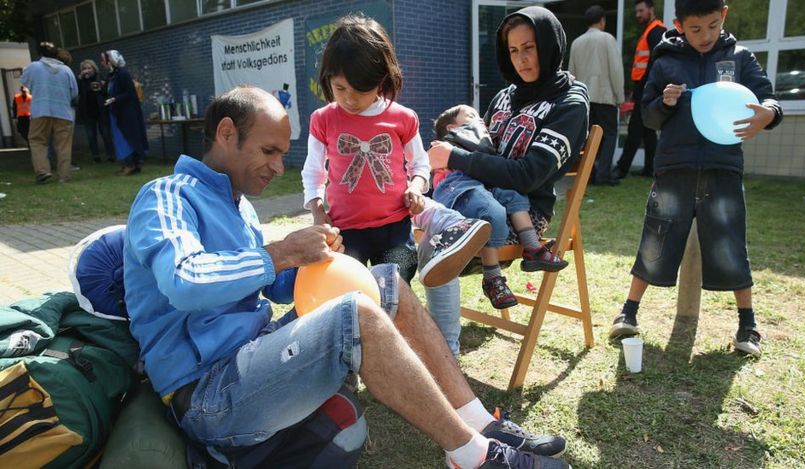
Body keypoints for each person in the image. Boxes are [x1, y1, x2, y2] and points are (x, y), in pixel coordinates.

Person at [123, 85, 569, 468]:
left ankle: (481, 423)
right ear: (226, 133)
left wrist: (314, 260)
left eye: (282, 153)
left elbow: (268, 285)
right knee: (356, 314)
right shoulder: (166, 196)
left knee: (387, 281)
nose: (279, 167)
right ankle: (473, 457)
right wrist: (279, 253)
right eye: (269, 151)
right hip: (209, 395)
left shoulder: (239, 208)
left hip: (249, 361)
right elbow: (183, 279)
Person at [607, 0, 783, 359]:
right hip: (675, 167)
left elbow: (768, 98)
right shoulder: (666, 59)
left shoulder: (740, 58)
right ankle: (629, 310)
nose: (705, 36)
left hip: (723, 168)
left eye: (713, 26)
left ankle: (747, 323)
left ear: (725, 16)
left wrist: (771, 114)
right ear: (679, 25)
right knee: (656, 237)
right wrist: (664, 103)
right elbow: (649, 116)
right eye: (695, 29)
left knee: (730, 241)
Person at [428, 6, 589, 359]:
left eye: (529, 47)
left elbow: (529, 174)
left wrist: (453, 158)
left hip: (524, 214)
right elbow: (482, 149)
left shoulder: (570, 103)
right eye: (513, 50)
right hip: (481, 196)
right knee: (404, 226)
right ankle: (428, 340)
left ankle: (443, 351)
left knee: (438, 237)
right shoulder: (504, 96)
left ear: (549, 45)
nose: (522, 59)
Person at [302, 15, 491, 288]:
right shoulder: (323, 119)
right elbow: (313, 172)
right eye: (340, 88)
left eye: (360, 91)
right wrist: (318, 211)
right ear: (327, 78)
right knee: (352, 292)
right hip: (344, 231)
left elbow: (420, 165)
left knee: (395, 286)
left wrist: (416, 186)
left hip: (394, 227)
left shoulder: (403, 118)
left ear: (382, 81)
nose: (349, 99)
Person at [432, 104, 569, 309]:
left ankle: (532, 248)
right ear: (452, 128)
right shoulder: (445, 144)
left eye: (479, 117)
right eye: (470, 116)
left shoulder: (480, 142)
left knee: (512, 194)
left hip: (481, 181)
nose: (479, 120)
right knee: (489, 212)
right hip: (457, 187)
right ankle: (492, 278)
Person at [569, 5, 625, 186]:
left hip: (584, 97)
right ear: (602, 21)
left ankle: (588, 174)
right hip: (604, 95)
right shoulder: (607, 39)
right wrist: (620, 96)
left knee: (588, 137)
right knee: (609, 134)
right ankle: (603, 174)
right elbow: (616, 70)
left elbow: (571, 72)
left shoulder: (577, 42)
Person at [613, 0, 667, 179]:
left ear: (651, 9)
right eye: (636, 12)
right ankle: (650, 168)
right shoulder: (650, 31)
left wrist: (645, 87)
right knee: (647, 131)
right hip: (644, 87)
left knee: (635, 130)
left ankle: (622, 168)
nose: (638, 15)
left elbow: (655, 63)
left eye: (641, 11)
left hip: (646, 88)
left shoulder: (656, 31)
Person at [20, 41, 77, 184]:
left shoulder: (34, 67)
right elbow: (74, 92)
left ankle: (43, 171)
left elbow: (25, 82)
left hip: (41, 110)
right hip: (63, 112)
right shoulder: (66, 70)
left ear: (40, 54)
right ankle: (64, 176)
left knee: (38, 141)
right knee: (63, 144)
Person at [102, 50, 148, 176]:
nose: (102, 63)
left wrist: (115, 99)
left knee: (126, 138)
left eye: (104, 60)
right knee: (124, 137)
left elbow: (130, 93)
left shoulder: (123, 74)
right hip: (118, 111)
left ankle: (131, 164)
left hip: (126, 112)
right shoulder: (112, 75)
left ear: (110, 61)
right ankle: (134, 163)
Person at [77, 59, 114, 163]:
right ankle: (96, 156)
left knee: (106, 133)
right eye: (84, 68)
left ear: (94, 68)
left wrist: (101, 87)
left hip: (101, 109)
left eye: (89, 68)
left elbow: (107, 91)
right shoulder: (81, 80)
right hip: (87, 111)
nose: (87, 70)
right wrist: (80, 79)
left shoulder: (100, 77)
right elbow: (77, 92)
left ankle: (110, 155)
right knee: (91, 135)